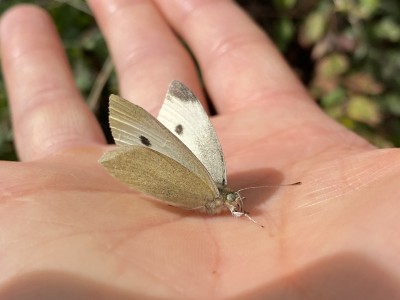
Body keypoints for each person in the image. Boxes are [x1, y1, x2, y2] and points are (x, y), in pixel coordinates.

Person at [1, 1, 399, 299]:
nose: (237, 201)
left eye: (237, 201)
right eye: (236, 200)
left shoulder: (220, 188)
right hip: (150, 168)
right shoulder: (213, 189)